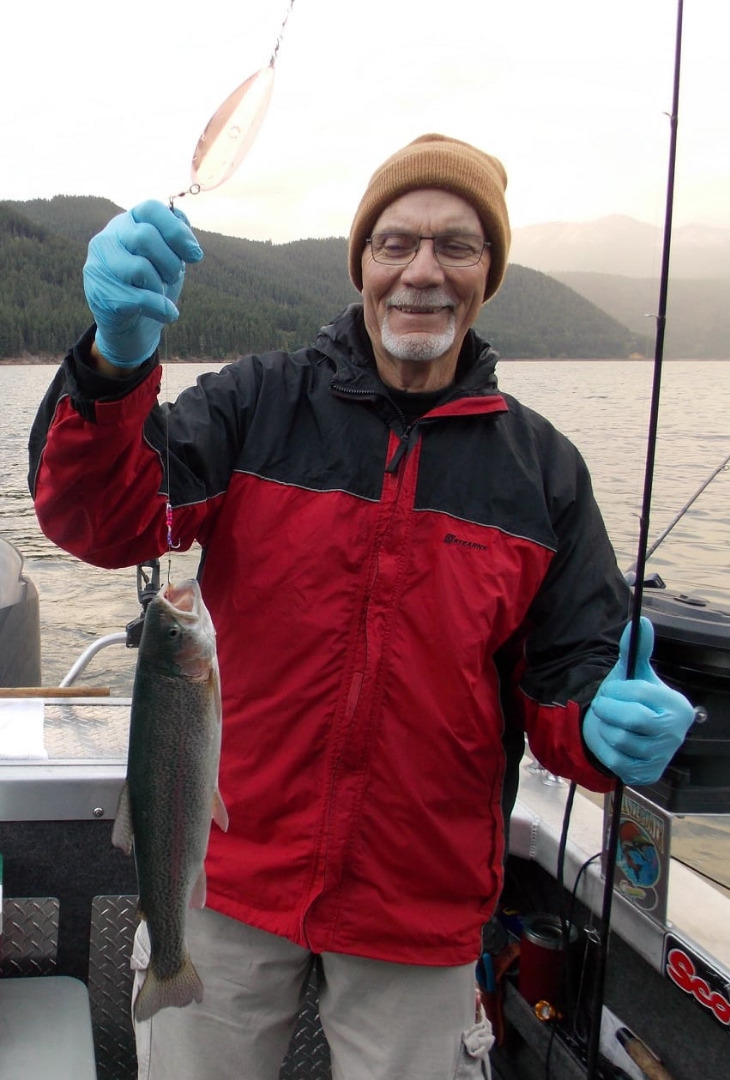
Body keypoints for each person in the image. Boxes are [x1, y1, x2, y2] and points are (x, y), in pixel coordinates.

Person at [28, 134, 694, 1080]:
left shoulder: (544, 474)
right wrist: (111, 364)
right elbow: (104, 516)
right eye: (395, 243)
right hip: (223, 876)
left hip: (420, 907)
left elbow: (564, 685)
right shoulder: (258, 404)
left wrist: (601, 725)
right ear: (363, 265)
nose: (422, 272)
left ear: (488, 274)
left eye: (455, 246)